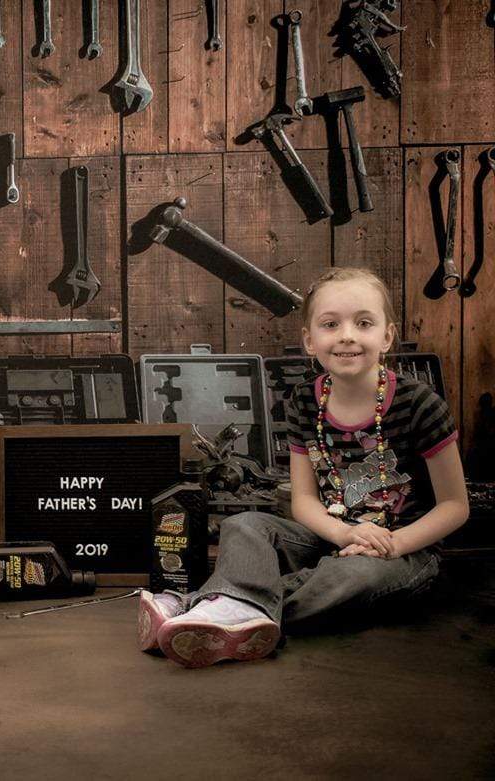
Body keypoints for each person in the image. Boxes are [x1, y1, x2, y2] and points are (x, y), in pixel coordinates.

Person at [138, 267, 469, 668]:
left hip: (401, 553)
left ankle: (206, 609)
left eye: (363, 323)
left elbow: (455, 506)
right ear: (310, 341)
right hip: (331, 535)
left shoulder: (419, 404)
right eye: (331, 324)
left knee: (348, 577)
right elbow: (304, 501)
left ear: (386, 336)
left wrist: (393, 544)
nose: (347, 334)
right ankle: (230, 617)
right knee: (243, 525)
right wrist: (345, 532)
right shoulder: (304, 402)